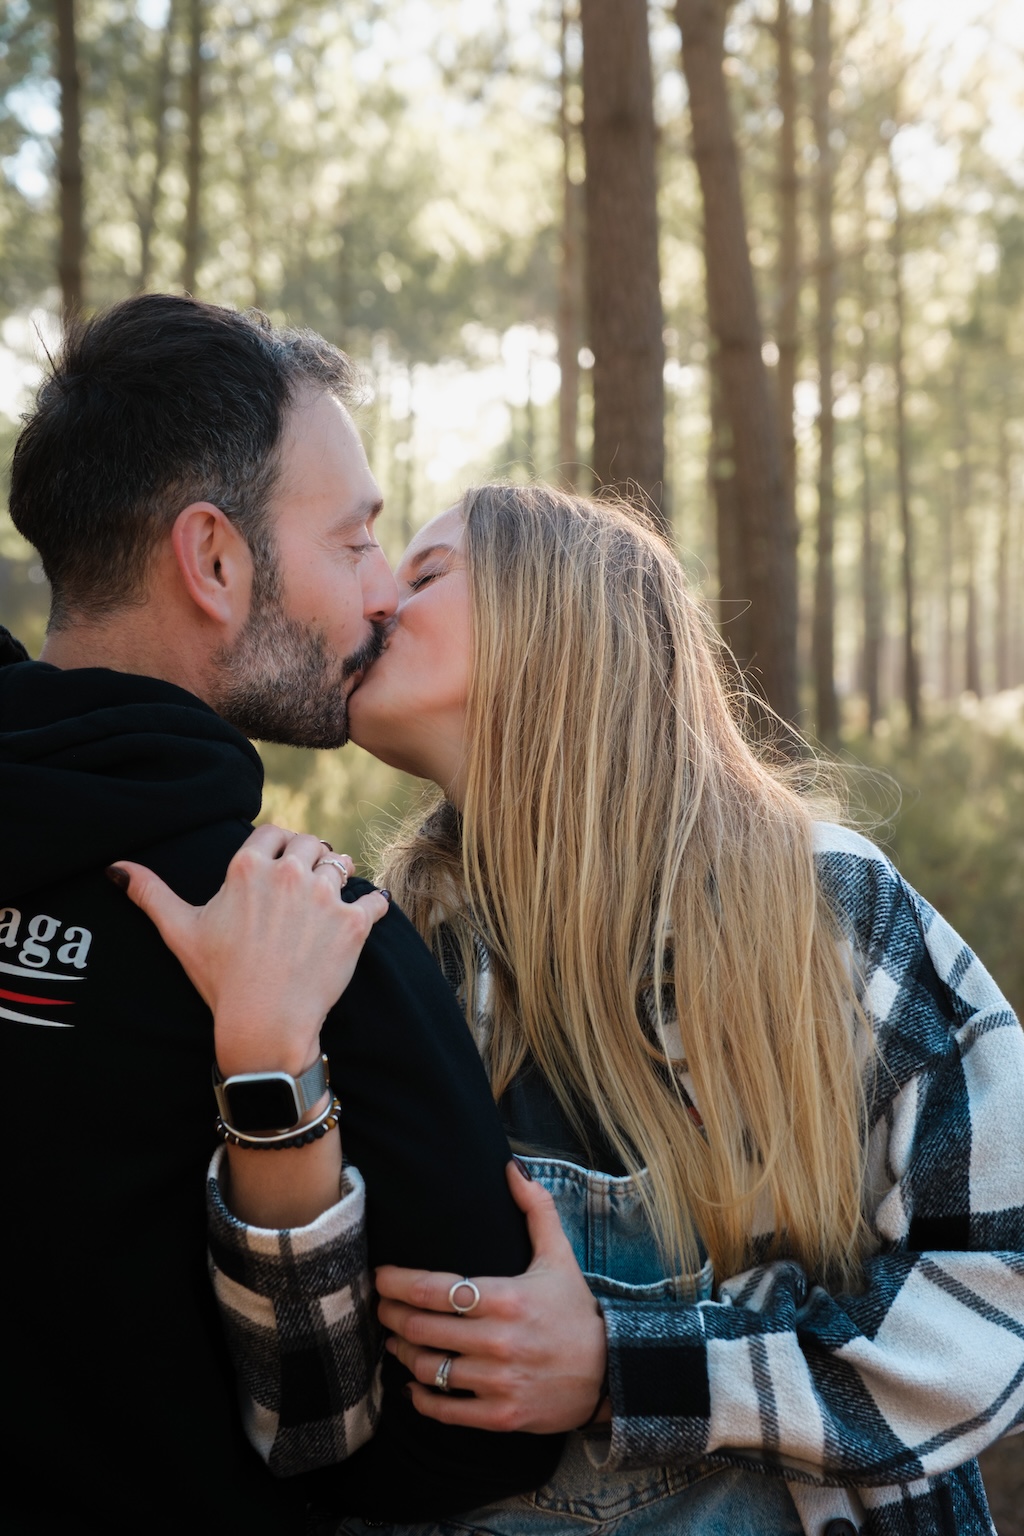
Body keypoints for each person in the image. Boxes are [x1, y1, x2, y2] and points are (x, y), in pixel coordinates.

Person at [123, 483, 1024, 1536]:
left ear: (558, 612)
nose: (373, 601)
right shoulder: (374, 955)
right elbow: (310, 1428)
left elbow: (993, 1296)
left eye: (423, 573)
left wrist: (621, 1366)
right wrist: (268, 1063)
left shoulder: (820, 905)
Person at [0, 298, 563, 1536]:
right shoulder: (328, 941)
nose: (379, 599)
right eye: (356, 540)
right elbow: (452, 1452)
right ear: (213, 562)